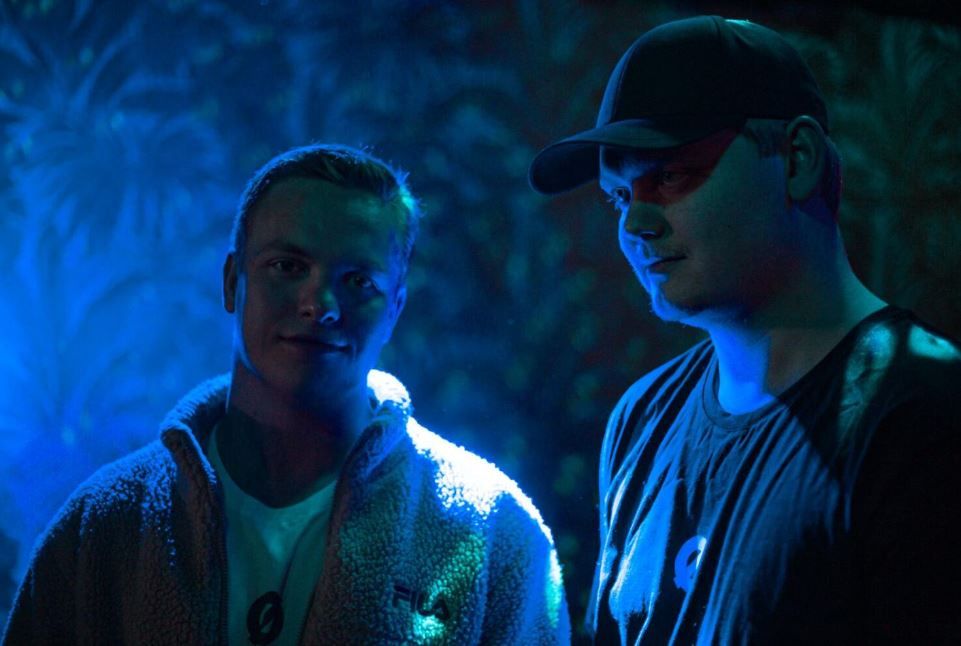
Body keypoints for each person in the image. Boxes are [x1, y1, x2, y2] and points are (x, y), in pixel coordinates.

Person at [5, 144, 571, 645]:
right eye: (288, 266)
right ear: (233, 282)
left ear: (396, 307)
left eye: (358, 281)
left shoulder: (493, 533)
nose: (319, 303)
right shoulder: (104, 525)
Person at [529, 15, 961, 645]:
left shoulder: (920, 412)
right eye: (619, 196)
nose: (635, 224)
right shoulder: (641, 419)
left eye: (670, 176)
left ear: (797, 159)